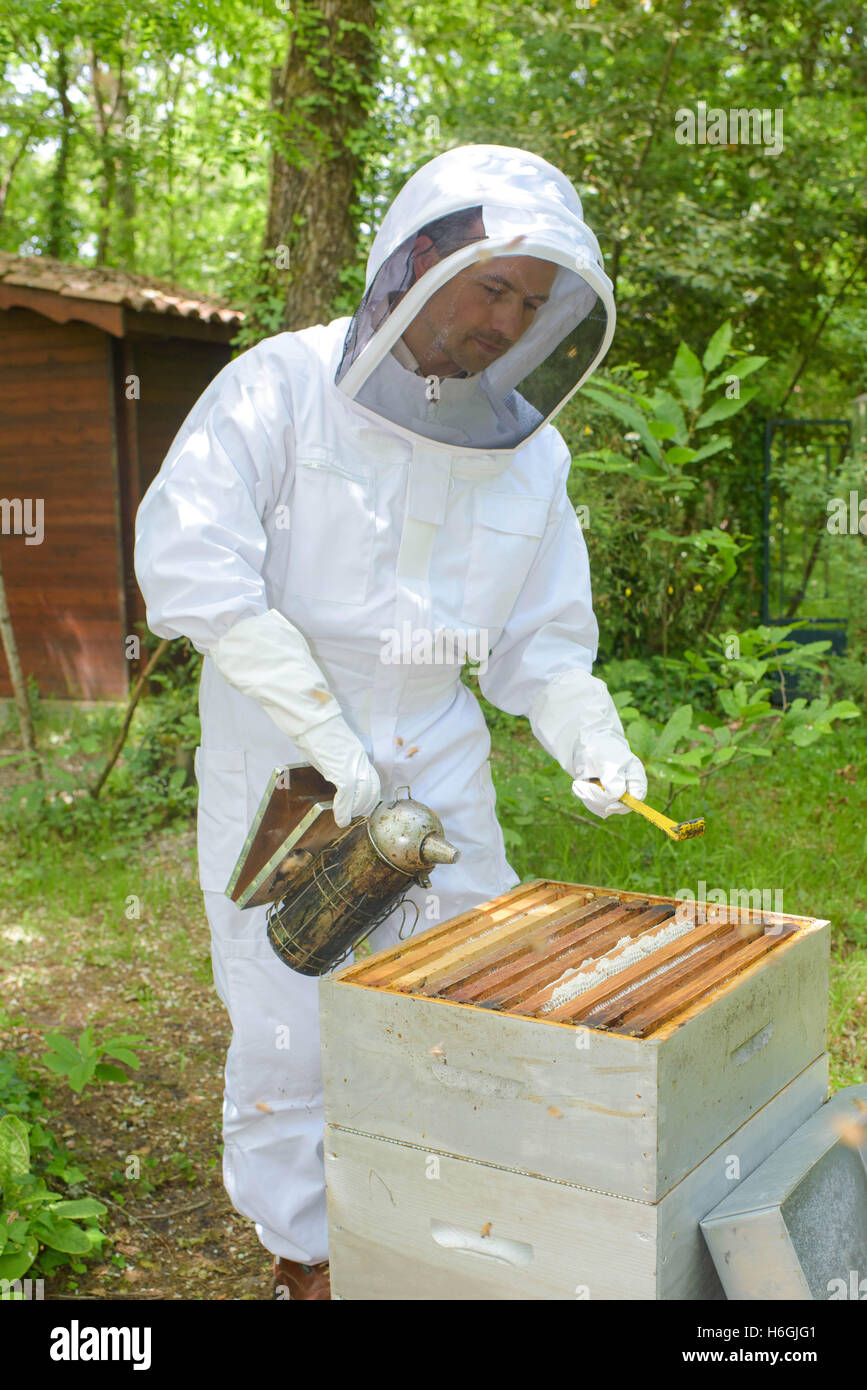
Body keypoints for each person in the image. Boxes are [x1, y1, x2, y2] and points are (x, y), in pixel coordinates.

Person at [133, 144, 647, 1301]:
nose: (503, 318)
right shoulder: (278, 385)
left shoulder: (531, 449)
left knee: (471, 983)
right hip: (286, 759)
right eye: (491, 286)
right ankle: (306, 1257)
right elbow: (190, 571)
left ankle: (443, 1234)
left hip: (440, 759)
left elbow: (544, 643)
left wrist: (589, 735)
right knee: (289, 1012)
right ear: (416, 266)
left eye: (530, 301)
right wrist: (320, 724)